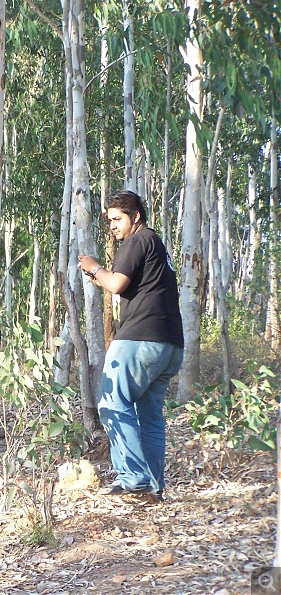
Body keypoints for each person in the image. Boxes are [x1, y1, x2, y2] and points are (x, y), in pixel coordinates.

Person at [78, 189, 184, 502]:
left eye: (117, 219)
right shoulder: (156, 245)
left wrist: (94, 267)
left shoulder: (136, 241)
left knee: (111, 403)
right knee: (149, 416)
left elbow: (116, 284)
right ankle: (152, 488)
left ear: (134, 216)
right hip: (170, 345)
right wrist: (100, 276)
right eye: (109, 220)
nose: (112, 226)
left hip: (140, 338)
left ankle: (135, 479)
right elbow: (130, 286)